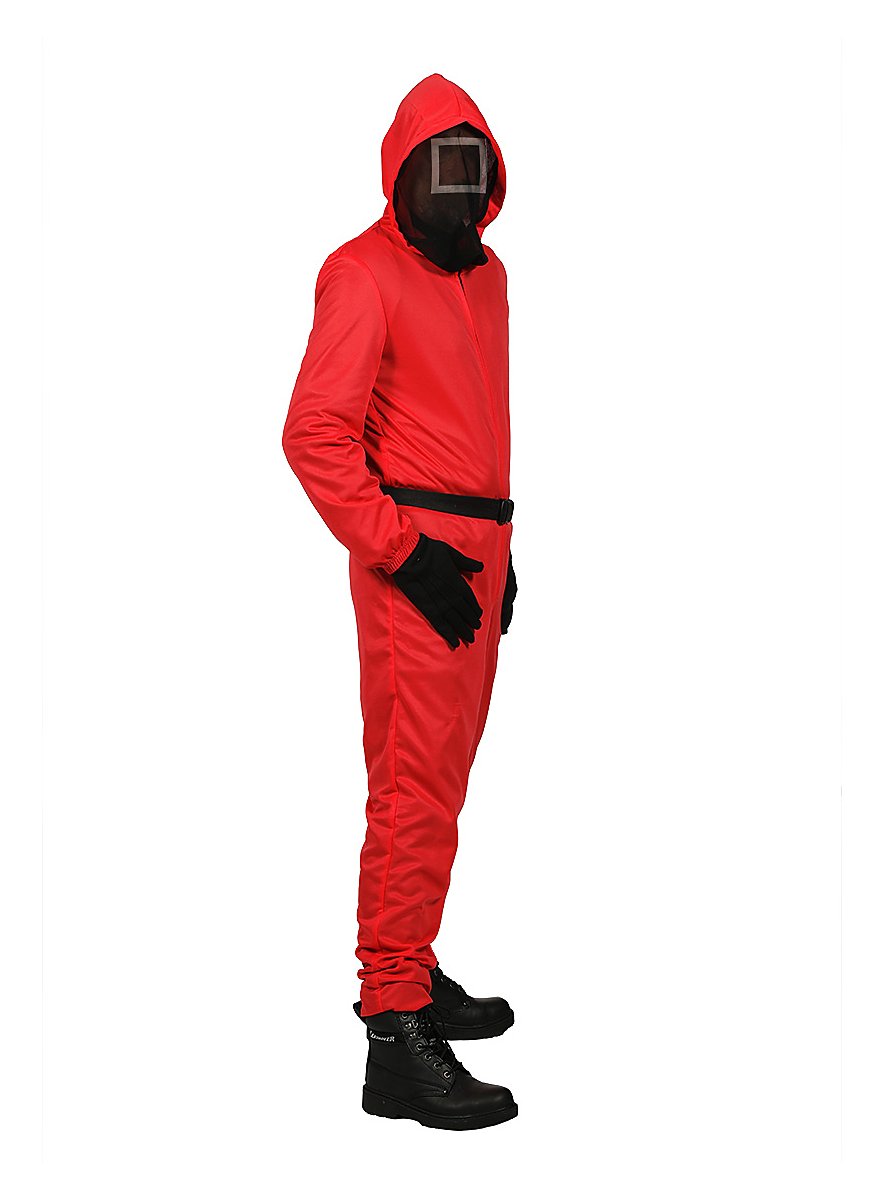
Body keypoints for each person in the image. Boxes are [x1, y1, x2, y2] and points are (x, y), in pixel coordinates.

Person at [281, 73, 518, 1131]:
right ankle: (393, 1030)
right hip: (411, 565)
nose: (458, 190)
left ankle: (411, 966)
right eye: (440, 168)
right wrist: (406, 551)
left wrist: (499, 546)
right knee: (411, 789)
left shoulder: (490, 279)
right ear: (400, 171)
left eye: (474, 170)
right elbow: (314, 435)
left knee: (443, 784)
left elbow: (469, 422)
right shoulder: (361, 273)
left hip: (474, 553)